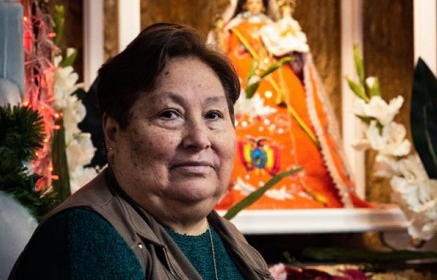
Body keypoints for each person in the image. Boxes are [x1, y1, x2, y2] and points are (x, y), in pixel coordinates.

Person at [10, 23, 274, 279]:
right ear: (113, 132)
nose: (199, 138)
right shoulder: (90, 236)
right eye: (170, 114)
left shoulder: (230, 240)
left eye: (213, 115)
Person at [209, 0, 366, 210]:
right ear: (243, 5)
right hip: (244, 84)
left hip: (276, 85)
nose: (254, 5)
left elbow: (287, 54)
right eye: (250, 2)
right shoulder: (233, 28)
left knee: (296, 126)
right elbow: (227, 55)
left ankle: (298, 184)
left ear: (264, 6)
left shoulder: (276, 29)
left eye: (258, 2)